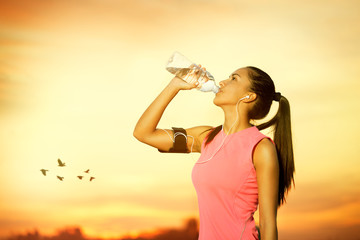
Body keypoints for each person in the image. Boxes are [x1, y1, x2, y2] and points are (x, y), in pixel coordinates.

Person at [133, 64, 295, 240]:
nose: (223, 82)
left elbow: (268, 223)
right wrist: (175, 85)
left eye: (234, 78)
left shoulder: (260, 147)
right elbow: (143, 133)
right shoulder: (205, 138)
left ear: (249, 96)